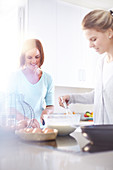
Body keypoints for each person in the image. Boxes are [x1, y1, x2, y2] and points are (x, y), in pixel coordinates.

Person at [59, 9, 113, 124]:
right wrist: (72, 98)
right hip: (101, 134)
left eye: (93, 39)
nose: (90, 45)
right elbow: (99, 95)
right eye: (88, 40)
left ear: (109, 33)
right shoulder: (101, 63)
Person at [7, 39, 54, 128]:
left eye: (37, 57)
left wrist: (46, 112)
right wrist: (26, 120)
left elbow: (50, 106)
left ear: (41, 56)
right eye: (29, 57)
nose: (34, 61)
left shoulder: (48, 78)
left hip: (39, 128)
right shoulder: (14, 77)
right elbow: (10, 108)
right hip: (19, 128)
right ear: (23, 58)